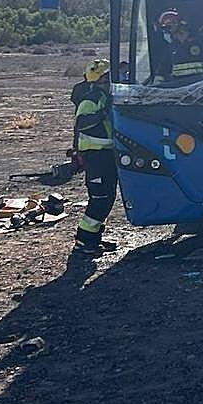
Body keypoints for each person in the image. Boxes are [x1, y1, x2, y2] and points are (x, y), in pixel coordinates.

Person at [71, 59, 118, 256]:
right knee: (99, 199)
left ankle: (95, 238)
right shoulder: (90, 99)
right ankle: (83, 241)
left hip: (105, 155)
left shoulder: (103, 96)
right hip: (95, 157)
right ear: (100, 79)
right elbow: (81, 123)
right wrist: (102, 113)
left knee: (107, 198)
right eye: (107, 78)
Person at [159, 10, 203, 77]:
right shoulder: (172, 48)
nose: (166, 31)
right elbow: (162, 71)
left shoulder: (202, 42)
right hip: (181, 86)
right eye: (164, 28)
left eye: (168, 27)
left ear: (176, 23)